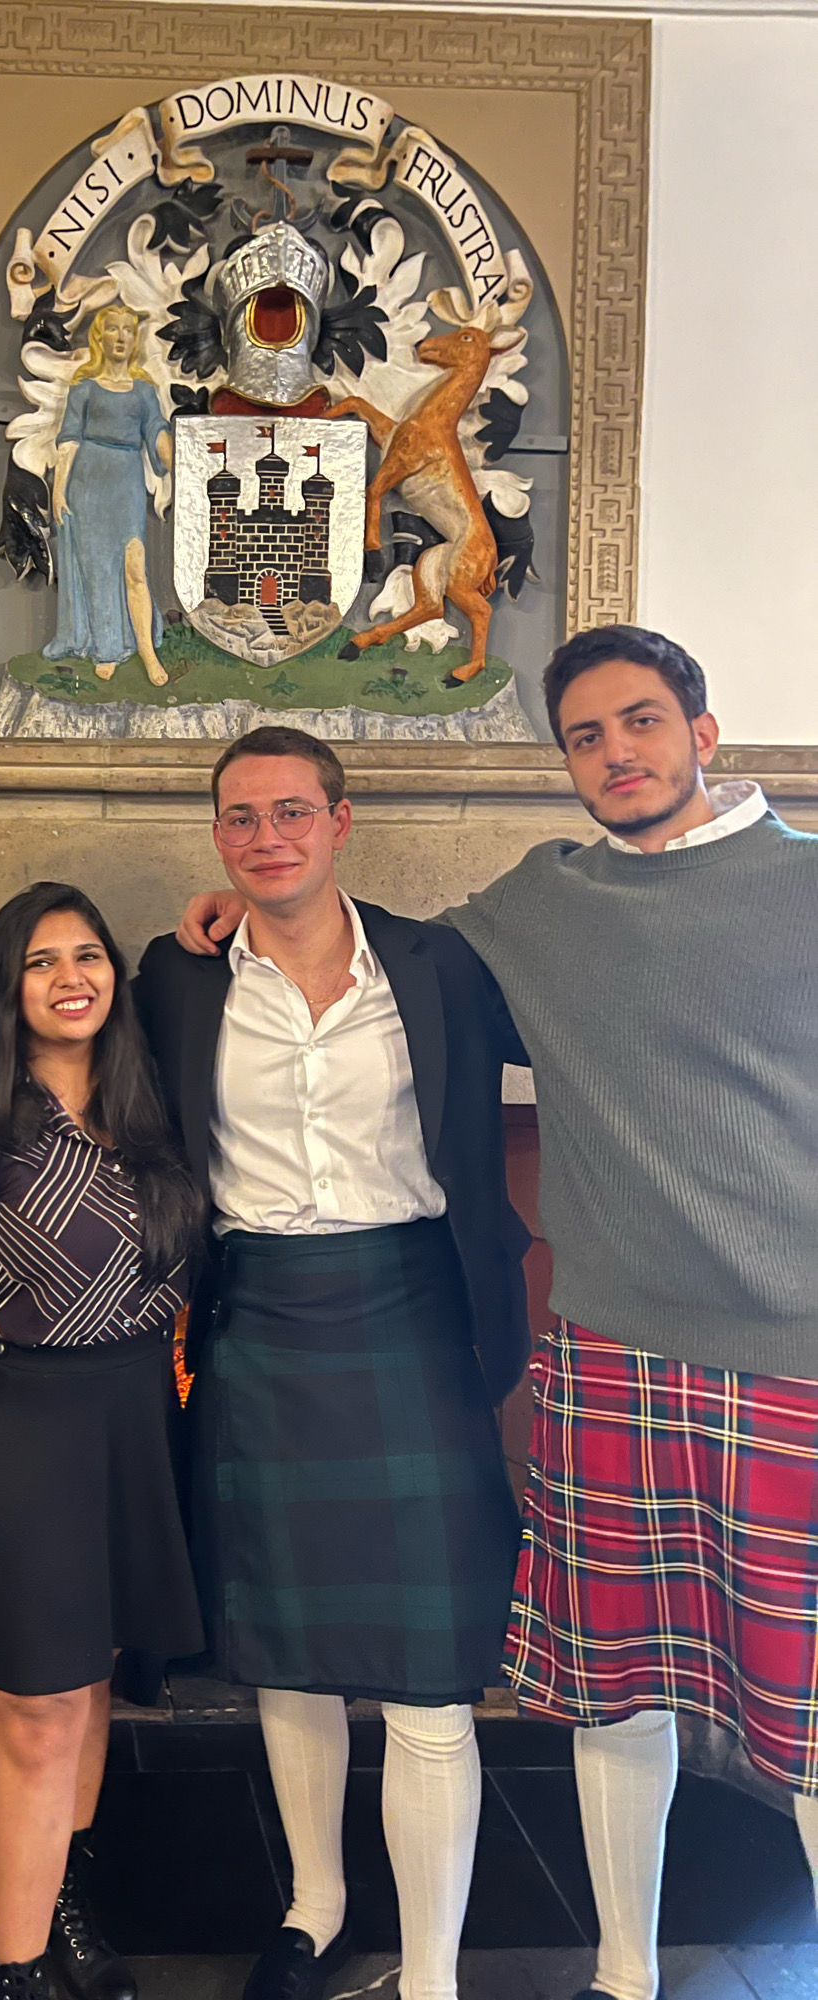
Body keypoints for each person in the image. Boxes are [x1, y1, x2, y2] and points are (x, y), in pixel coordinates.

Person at [174, 629, 818, 2000]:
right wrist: (242, 910)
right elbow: (378, 950)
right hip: (602, 1344)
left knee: (811, 1703)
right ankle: (623, 1977)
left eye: (641, 723)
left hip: (790, 1353)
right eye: (586, 736)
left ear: (707, 733)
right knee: (609, 1683)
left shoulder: (806, 888)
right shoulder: (540, 903)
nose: (616, 755)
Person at [137, 725, 531, 2000]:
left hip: (415, 1313)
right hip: (257, 1321)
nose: (269, 837)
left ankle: (431, 1971)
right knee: (285, 1646)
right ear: (219, 837)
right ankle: (314, 1907)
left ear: (342, 819)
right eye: (242, 817)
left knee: (432, 1668)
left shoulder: (442, 963)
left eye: (293, 810)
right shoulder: (179, 977)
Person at [0, 882, 205, 2000]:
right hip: (20, 1429)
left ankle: (63, 1898)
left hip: (137, 1423)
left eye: (88, 953)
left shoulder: (147, 1102)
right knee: (33, 1712)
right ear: (6, 985)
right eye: (39, 961)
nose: (70, 975)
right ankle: (18, 1970)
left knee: (87, 1696)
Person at [45, 304, 173, 686]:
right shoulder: (84, 387)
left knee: (135, 567)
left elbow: (156, 429)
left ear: (135, 339)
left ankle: (147, 650)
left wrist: (174, 456)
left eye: (127, 330)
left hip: (125, 482)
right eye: (113, 329)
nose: (120, 337)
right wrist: (59, 489)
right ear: (100, 337)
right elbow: (68, 440)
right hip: (88, 484)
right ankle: (107, 650)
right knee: (98, 571)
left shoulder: (144, 389)